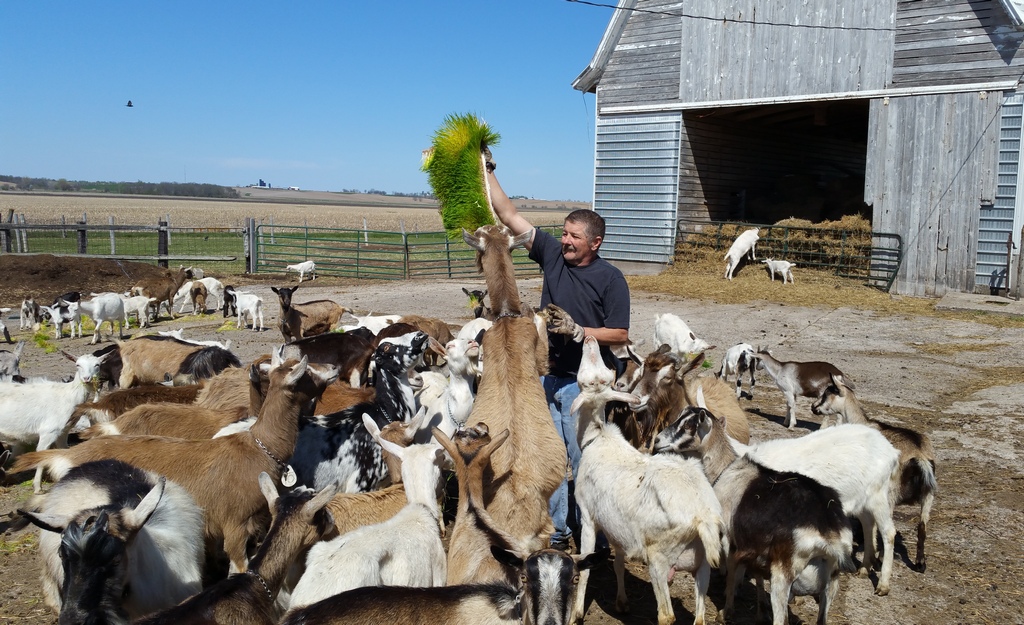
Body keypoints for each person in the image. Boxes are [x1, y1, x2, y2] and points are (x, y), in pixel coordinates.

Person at [487, 167, 631, 552]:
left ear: (595, 243)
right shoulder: (551, 254)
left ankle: (596, 535)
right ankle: (557, 530)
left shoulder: (611, 279)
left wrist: (581, 331)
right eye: (565, 233)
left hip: (584, 384)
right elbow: (508, 213)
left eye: (574, 237)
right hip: (548, 377)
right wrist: (486, 170)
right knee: (548, 460)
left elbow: (620, 334)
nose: (565, 241)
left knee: (585, 461)